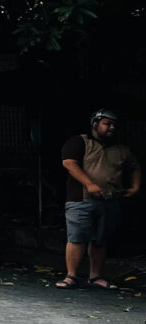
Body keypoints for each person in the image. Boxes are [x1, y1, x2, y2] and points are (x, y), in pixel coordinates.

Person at [57, 108, 140, 289]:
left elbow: (134, 167)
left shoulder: (121, 149)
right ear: (95, 124)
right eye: (107, 123)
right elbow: (69, 163)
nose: (111, 127)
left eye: (114, 125)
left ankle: (96, 277)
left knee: (100, 240)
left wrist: (135, 186)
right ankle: (71, 276)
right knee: (77, 237)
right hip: (81, 199)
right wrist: (89, 184)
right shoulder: (80, 142)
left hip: (109, 200)